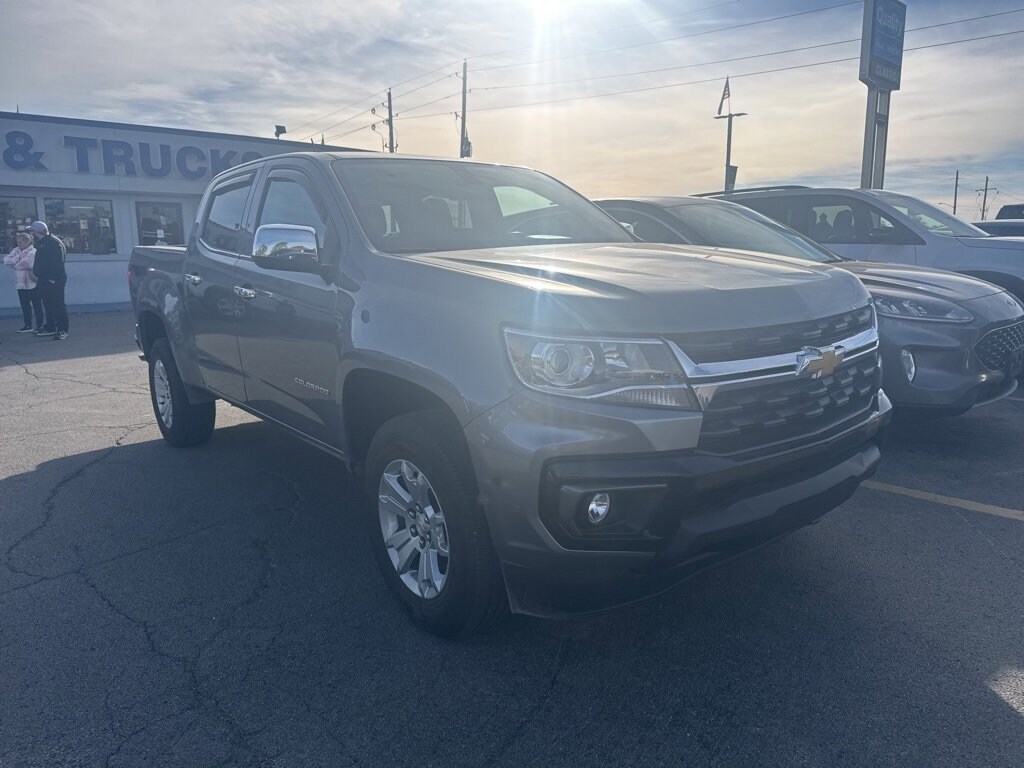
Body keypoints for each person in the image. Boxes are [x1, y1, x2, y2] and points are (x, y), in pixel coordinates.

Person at [28, 221, 69, 340]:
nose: (31, 234)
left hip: (54, 280)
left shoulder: (54, 243)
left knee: (58, 304)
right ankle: (50, 326)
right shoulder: (41, 243)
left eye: (32, 231)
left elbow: (58, 263)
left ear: (38, 232)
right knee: (47, 303)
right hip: (43, 279)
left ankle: (63, 329)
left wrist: (52, 279)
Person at [5, 231, 44, 332]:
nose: (18, 244)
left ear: (28, 242)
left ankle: (39, 325)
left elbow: (27, 264)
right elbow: (7, 260)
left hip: (32, 283)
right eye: (17, 242)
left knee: (37, 305)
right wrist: (17, 259)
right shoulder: (16, 250)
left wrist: (15, 264)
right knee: (25, 305)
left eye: (20, 242)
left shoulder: (33, 252)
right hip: (21, 284)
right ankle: (28, 325)